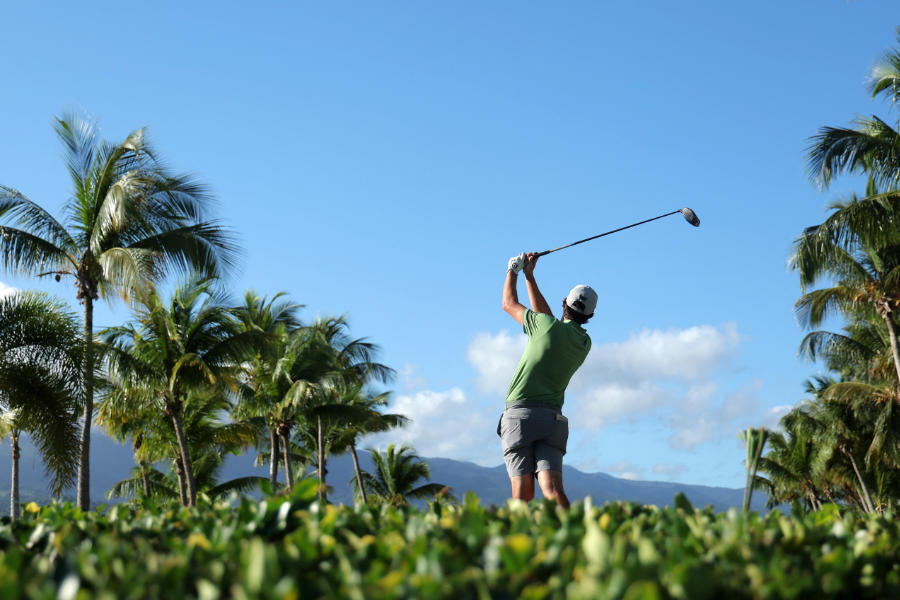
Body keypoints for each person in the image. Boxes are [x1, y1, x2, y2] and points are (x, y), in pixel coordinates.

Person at [498, 251, 596, 508]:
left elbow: (508, 303)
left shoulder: (546, 326)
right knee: (552, 488)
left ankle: (521, 543)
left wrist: (513, 270)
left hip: (520, 415)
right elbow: (549, 323)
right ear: (590, 316)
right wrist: (529, 277)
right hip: (553, 421)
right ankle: (574, 539)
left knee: (522, 494)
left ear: (565, 302)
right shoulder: (584, 343)